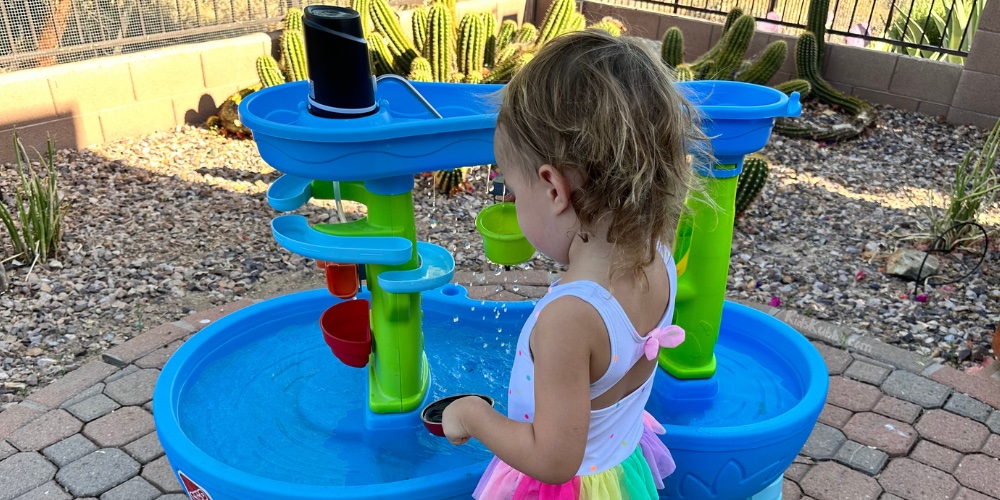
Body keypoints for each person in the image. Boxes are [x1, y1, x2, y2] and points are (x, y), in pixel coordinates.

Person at [441, 28, 708, 499]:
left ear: (553, 189)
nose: (514, 203)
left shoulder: (569, 319)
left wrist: (471, 415)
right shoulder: (659, 258)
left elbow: (553, 461)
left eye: (512, 190)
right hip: (621, 476)